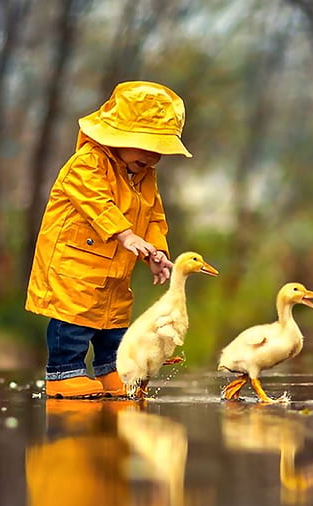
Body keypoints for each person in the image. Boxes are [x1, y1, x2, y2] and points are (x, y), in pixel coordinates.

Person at [25, 81, 192, 398]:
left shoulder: (142, 175)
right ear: (118, 136)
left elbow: (154, 214)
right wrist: (125, 234)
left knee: (114, 323)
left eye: (160, 151)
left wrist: (154, 251)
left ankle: (111, 370)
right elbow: (96, 202)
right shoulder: (87, 163)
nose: (154, 157)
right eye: (147, 147)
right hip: (75, 263)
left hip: (115, 266)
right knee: (73, 319)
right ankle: (63, 373)